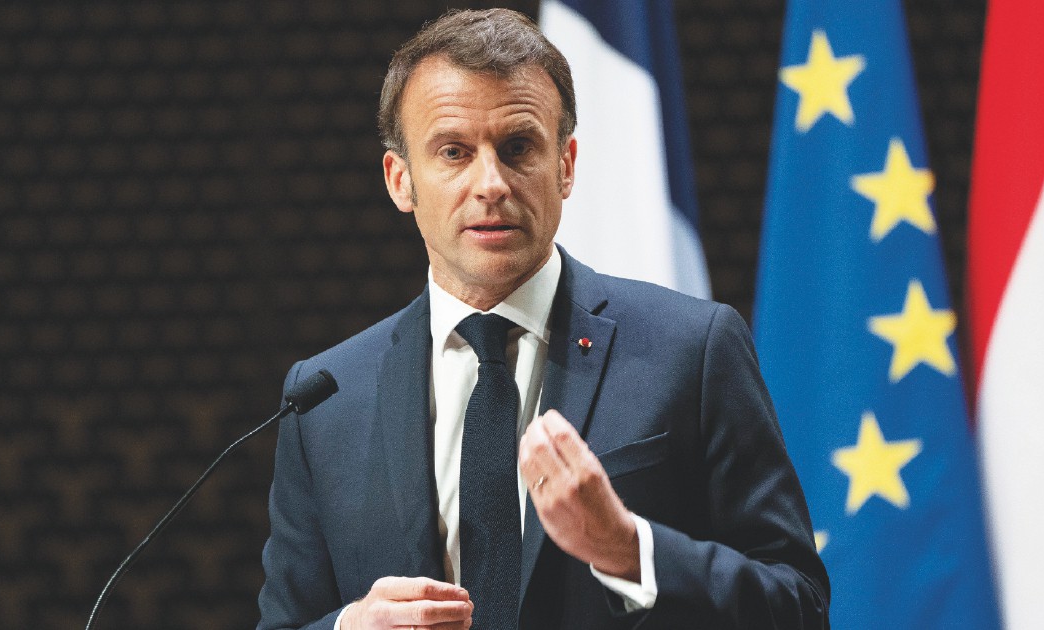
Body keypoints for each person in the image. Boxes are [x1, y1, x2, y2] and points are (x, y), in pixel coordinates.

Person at [257, 9, 828, 630]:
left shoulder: (691, 350)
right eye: (453, 152)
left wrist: (630, 551)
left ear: (566, 165)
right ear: (400, 180)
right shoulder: (326, 398)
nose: (491, 183)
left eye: (519, 147)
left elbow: (798, 604)